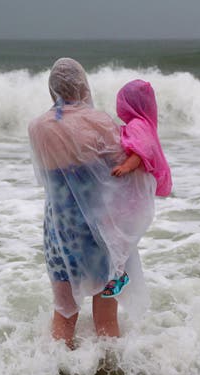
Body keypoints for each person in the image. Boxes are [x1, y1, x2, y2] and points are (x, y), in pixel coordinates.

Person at [28, 58, 156, 348]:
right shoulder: (98, 122)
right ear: (83, 85)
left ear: (53, 89)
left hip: (58, 230)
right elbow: (120, 167)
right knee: (106, 317)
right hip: (98, 229)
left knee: (64, 313)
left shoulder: (37, 127)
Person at [101, 79, 173, 298]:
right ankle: (117, 273)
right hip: (138, 192)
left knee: (118, 232)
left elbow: (141, 151)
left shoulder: (137, 125)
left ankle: (118, 275)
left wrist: (125, 167)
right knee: (120, 234)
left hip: (135, 191)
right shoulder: (143, 125)